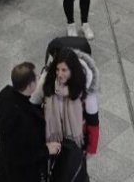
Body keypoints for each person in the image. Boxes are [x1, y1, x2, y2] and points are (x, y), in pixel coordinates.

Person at [34, 47, 97, 176]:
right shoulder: (46, 81)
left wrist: (91, 148)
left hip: (75, 142)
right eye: (57, 69)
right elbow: (33, 105)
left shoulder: (85, 89)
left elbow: (93, 121)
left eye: (64, 70)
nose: (59, 74)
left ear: (72, 70)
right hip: (51, 139)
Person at [0, 62, 54, 182]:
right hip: (21, 175)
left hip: (4, 168)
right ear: (30, 85)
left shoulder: (5, 96)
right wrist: (46, 150)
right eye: (37, 77)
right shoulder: (23, 120)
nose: (40, 78)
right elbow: (22, 154)